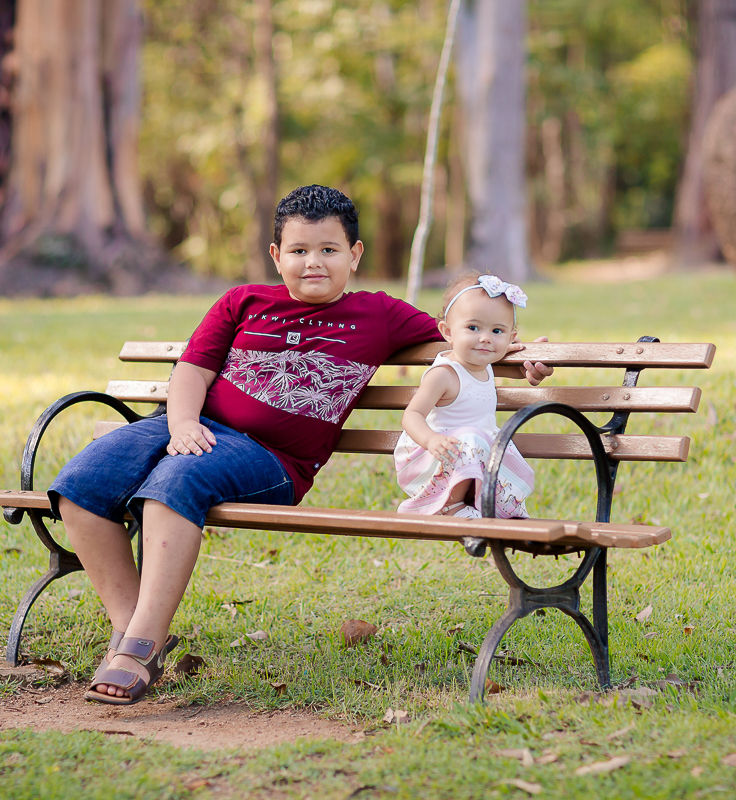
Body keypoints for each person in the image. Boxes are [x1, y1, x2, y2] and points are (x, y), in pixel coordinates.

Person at [49, 185, 552, 705]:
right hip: (190, 425)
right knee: (81, 481)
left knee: (176, 481)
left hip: (272, 458)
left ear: (355, 255)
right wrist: (180, 425)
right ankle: (128, 622)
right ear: (276, 256)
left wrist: (521, 354)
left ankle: (141, 647)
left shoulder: (378, 314)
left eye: (329, 250)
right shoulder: (243, 301)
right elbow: (193, 371)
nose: (314, 263)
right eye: (299, 251)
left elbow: (467, 338)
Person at [395, 274, 534, 520]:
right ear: (447, 332)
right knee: (470, 439)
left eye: (497, 331)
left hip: (473, 453)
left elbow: (513, 361)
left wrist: (529, 359)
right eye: (473, 328)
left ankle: (493, 506)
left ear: (511, 338)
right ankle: (450, 506)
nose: (485, 338)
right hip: (437, 456)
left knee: (497, 448)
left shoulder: (485, 362)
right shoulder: (444, 374)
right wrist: (431, 440)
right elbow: (412, 415)